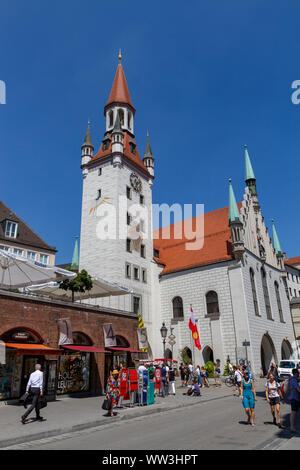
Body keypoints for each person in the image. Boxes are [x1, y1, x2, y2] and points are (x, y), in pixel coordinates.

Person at [288, 368, 300, 432]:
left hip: (294, 398)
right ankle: (292, 427)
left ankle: (292, 426)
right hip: (294, 398)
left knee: (294, 412)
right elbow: (298, 389)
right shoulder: (294, 380)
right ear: (296, 373)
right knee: (293, 412)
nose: (299, 374)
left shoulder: (292, 379)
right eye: (298, 373)